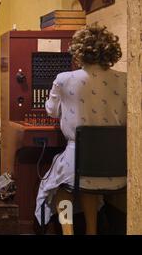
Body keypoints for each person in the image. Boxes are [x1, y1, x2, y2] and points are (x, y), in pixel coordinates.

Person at [35, 24, 127, 235]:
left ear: (78, 51)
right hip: (117, 165)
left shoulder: (65, 79)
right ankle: (91, 231)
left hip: (79, 158)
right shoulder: (125, 79)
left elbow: (51, 111)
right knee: (88, 185)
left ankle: (68, 231)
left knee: (58, 187)